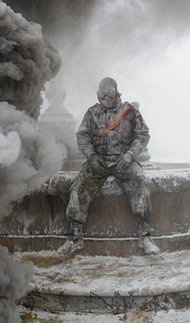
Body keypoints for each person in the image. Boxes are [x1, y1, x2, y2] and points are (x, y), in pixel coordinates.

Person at [58, 77, 160, 255]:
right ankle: (75, 237)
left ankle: (145, 235)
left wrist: (129, 156)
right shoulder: (92, 113)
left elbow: (143, 135)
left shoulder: (129, 112)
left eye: (110, 93)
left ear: (116, 92)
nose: (106, 97)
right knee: (78, 186)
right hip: (99, 160)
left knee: (140, 183)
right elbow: (82, 136)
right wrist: (91, 157)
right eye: (102, 94)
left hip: (124, 160)